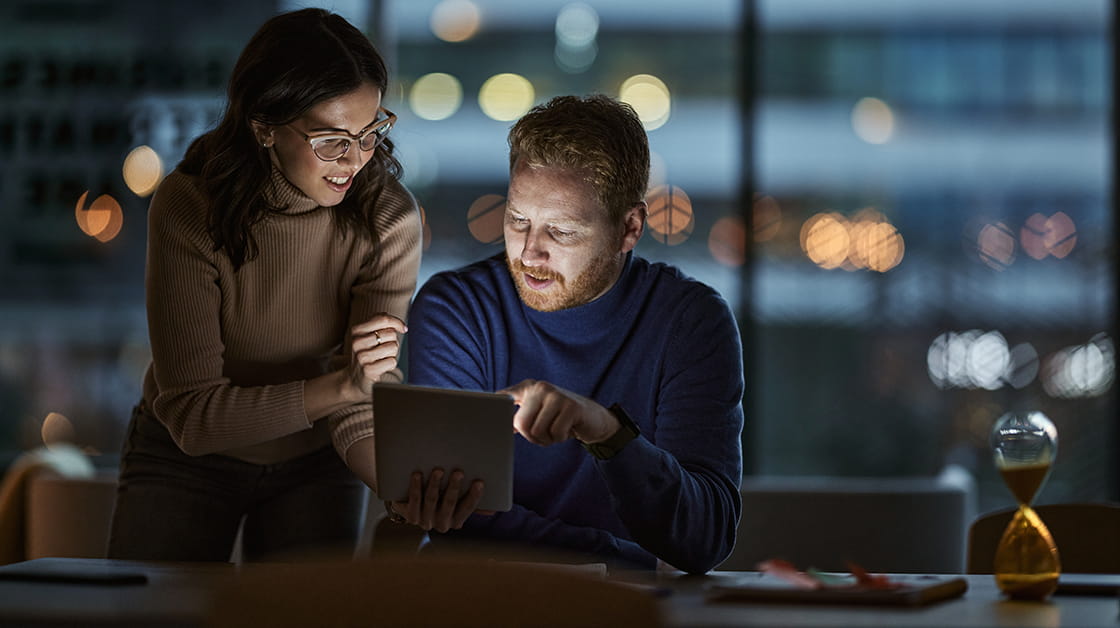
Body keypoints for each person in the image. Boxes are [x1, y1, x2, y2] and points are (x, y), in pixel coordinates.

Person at [107, 8, 422, 562]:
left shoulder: (389, 219)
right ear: (264, 127)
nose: (354, 161)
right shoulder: (190, 207)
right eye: (331, 140)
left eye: (370, 133)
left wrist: (406, 490)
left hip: (318, 461)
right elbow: (193, 418)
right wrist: (343, 387)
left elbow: (363, 394)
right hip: (185, 458)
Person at [397, 94, 744, 574]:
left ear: (629, 228)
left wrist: (604, 431)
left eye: (560, 232)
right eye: (518, 220)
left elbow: (705, 536)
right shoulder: (457, 309)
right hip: (476, 596)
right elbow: (457, 516)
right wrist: (618, 559)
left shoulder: (691, 323)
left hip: (624, 611)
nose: (529, 253)